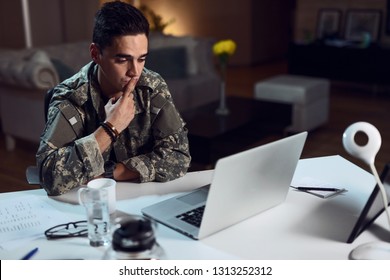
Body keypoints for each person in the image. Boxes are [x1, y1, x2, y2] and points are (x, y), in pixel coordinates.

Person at [36, 1, 191, 196]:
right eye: (123, 59)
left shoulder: (151, 87)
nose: (135, 72)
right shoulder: (71, 97)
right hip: (86, 204)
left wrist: (112, 173)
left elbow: (179, 155)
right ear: (96, 54)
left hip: (142, 198)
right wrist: (110, 128)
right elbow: (48, 176)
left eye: (141, 59)